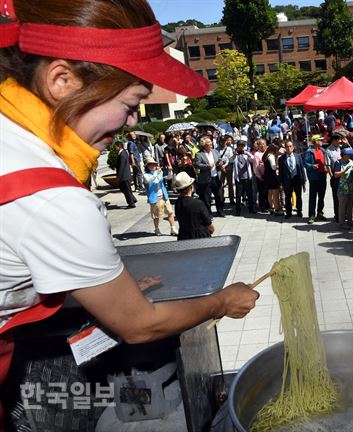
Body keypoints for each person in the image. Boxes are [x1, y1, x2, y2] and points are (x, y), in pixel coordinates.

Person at [0, 1, 258, 424]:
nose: (134, 123)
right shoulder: (55, 200)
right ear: (61, 80)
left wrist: (102, 288)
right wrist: (221, 302)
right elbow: (140, 325)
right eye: (131, 102)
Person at [174, 172, 214, 240]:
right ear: (191, 187)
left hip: (183, 237)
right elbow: (210, 225)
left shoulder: (178, 203)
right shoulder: (198, 203)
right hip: (200, 237)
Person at [143, 157, 178, 236]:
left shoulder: (159, 172)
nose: (153, 166)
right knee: (156, 216)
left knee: (170, 212)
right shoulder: (146, 175)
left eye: (154, 164)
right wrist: (156, 172)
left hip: (164, 196)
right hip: (154, 198)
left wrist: (169, 171)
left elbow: (168, 178)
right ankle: (157, 229)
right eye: (150, 165)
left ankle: (173, 229)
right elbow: (149, 180)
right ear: (147, 166)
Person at [194, 136, 225, 218]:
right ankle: (208, 214)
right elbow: (197, 165)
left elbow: (220, 159)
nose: (211, 143)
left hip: (216, 177)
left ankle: (220, 211)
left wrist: (220, 163)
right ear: (203, 144)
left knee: (219, 196)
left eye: (211, 142)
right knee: (207, 198)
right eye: (208, 142)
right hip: (206, 179)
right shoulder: (199, 154)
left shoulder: (215, 151)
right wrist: (208, 166)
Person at [304, 134, 329, 224]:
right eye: (320, 140)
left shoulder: (323, 150)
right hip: (314, 177)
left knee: (321, 196)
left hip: (322, 176)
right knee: (313, 197)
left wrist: (326, 168)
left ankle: (320, 213)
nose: (322, 141)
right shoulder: (309, 151)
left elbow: (326, 162)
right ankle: (311, 215)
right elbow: (305, 163)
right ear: (315, 142)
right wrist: (312, 166)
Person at [278, 139, 307, 219]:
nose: (289, 148)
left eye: (290, 146)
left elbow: (301, 169)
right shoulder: (281, 159)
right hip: (287, 180)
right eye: (287, 147)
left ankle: (299, 211)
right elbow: (280, 172)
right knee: (288, 197)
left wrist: (304, 180)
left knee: (298, 196)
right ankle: (288, 212)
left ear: (293, 147)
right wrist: (280, 183)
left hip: (297, 179)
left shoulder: (298, 156)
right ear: (285, 148)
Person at [231, 136, 255, 216]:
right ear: (237, 146)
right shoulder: (235, 154)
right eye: (239, 146)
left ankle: (251, 208)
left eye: (242, 146)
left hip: (247, 177)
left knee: (250, 194)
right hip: (239, 178)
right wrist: (234, 155)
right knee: (238, 195)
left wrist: (248, 154)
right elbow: (230, 161)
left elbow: (253, 159)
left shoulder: (246, 154)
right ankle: (238, 210)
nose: (240, 147)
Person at [114, 140, 137, 208]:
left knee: (126, 190)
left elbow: (121, 167)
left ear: (119, 146)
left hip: (124, 176)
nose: (115, 148)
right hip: (125, 175)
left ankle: (131, 203)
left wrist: (119, 177)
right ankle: (133, 199)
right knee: (125, 189)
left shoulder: (122, 155)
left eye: (115, 146)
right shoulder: (123, 152)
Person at [326, 132, 343, 223]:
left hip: (343, 175)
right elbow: (328, 165)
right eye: (339, 139)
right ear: (334, 140)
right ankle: (337, 216)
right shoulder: (328, 151)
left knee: (343, 197)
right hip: (335, 175)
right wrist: (332, 177)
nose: (340, 141)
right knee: (336, 198)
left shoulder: (340, 149)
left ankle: (343, 215)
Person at [262, 143, 282, 215]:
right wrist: (278, 166)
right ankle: (277, 209)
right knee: (275, 194)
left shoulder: (266, 155)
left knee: (270, 193)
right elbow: (274, 167)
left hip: (267, 177)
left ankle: (272, 207)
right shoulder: (271, 156)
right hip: (273, 177)